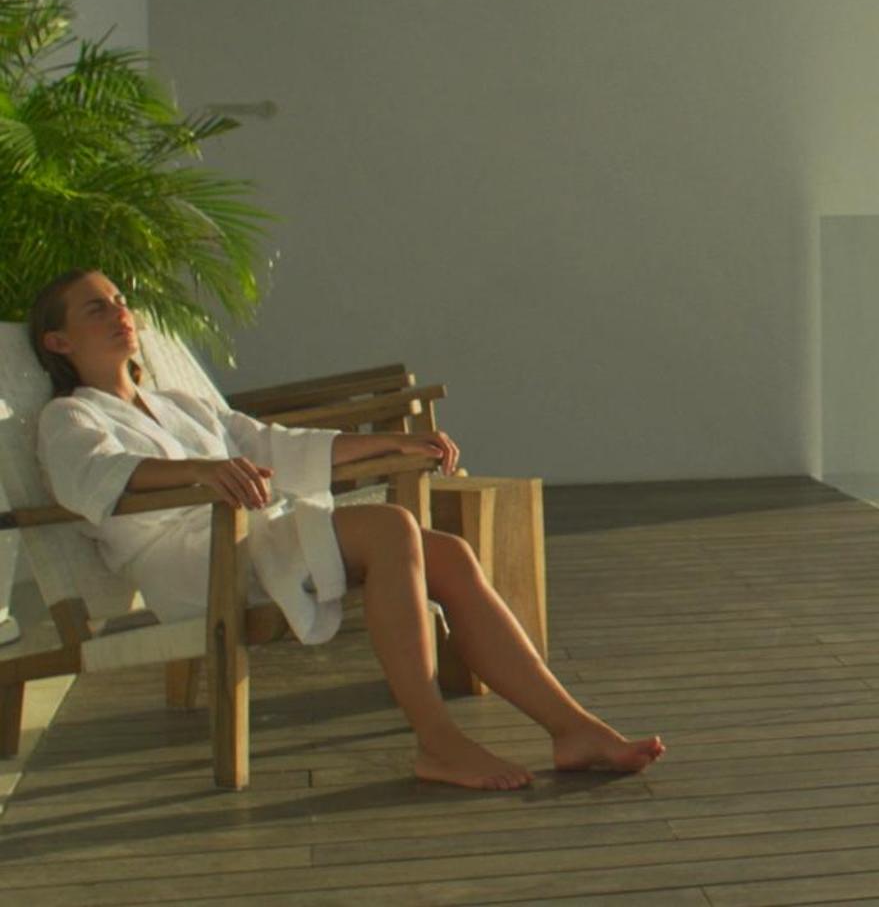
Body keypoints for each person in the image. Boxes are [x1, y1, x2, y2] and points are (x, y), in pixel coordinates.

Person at [29, 269, 665, 790]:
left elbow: (273, 445)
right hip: (191, 561)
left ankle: (572, 728)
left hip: (249, 536)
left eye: (120, 300)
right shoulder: (70, 417)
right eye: (95, 308)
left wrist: (389, 444)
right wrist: (200, 469)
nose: (119, 313)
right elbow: (93, 477)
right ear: (58, 342)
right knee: (390, 527)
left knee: (447, 554)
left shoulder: (178, 405)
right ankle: (438, 741)